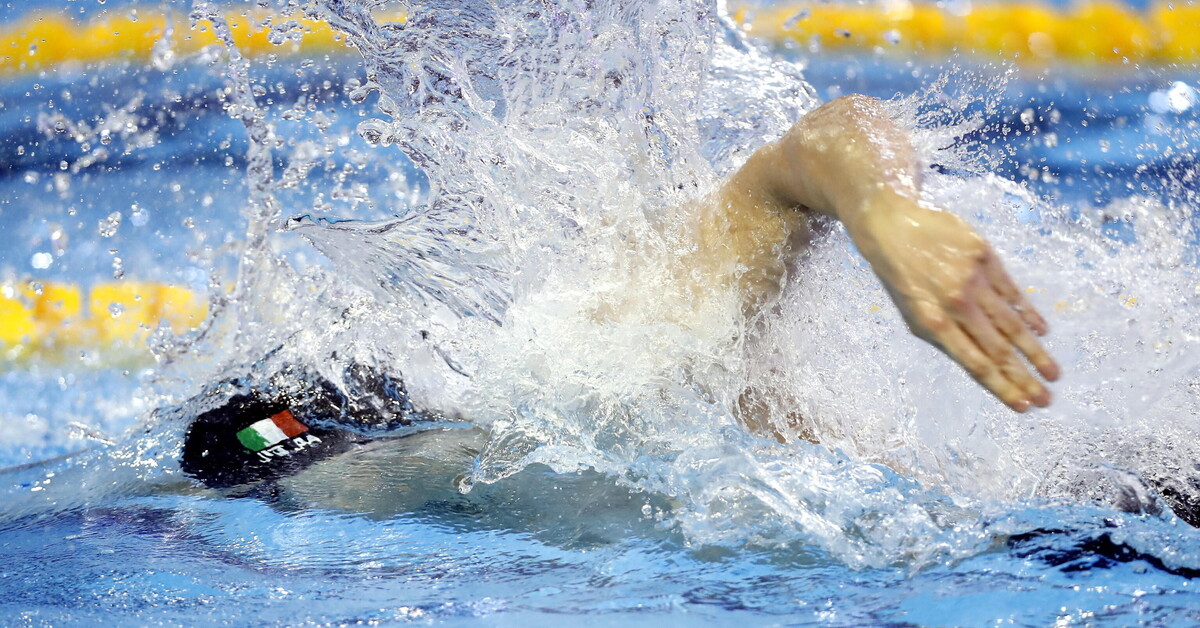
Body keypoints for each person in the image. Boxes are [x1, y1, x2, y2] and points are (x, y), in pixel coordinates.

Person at [181, 94, 1060, 487]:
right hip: (306, 434)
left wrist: (884, 206)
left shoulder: (653, 347)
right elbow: (235, 440)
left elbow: (821, 141)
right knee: (247, 444)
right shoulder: (601, 370)